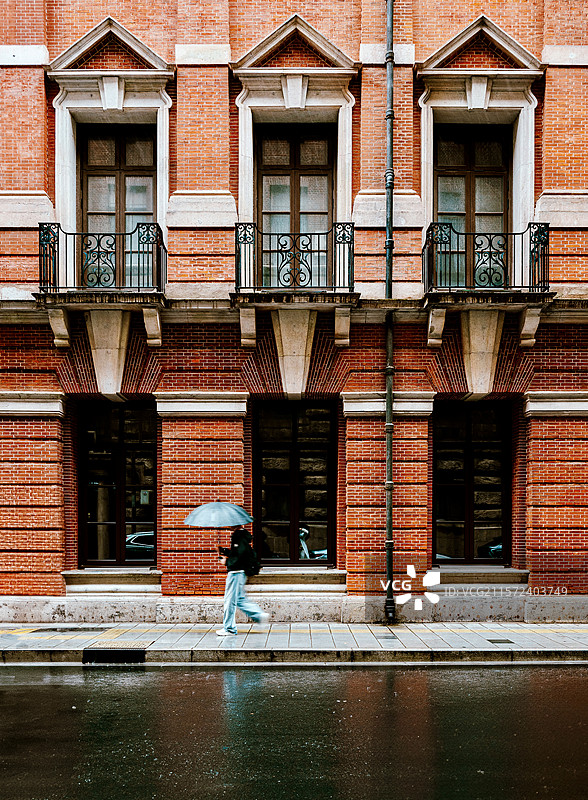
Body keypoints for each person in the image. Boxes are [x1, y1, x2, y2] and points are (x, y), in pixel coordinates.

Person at [216, 526, 269, 636]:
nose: (228, 525)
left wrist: (227, 562)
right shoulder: (242, 536)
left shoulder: (239, 536)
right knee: (239, 599)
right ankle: (259, 615)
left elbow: (239, 556)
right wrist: (224, 551)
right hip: (239, 572)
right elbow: (238, 553)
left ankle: (229, 628)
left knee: (230, 600)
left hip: (236, 572)